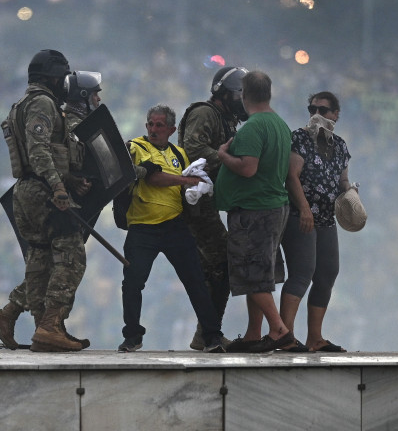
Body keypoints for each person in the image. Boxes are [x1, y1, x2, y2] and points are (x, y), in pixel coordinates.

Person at [0, 70, 100, 351]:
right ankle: (50, 326)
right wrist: (60, 187)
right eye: (95, 93)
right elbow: (42, 153)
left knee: (42, 257)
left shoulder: (27, 107)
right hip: (45, 192)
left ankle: (12, 315)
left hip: (26, 190)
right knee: (71, 255)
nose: (99, 98)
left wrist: (68, 179)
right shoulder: (58, 114)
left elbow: (56, 158)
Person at [117, 104, 226, 353]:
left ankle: (212, 336)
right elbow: (153, 178)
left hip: (175, 225)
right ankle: (132, 336)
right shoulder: (137, 147)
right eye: (150, 124)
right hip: (142, 227)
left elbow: (189, 180)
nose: (153, 129)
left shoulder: (179, 154)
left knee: (196, 280)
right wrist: (187, 180)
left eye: (159, 125)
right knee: (133, 282)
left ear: (171, 129)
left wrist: (198, 188)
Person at [214, 70, 300, 353]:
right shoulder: (279, 124)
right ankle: (253, 334)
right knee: (260, 273)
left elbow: (248, 168)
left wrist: (224, 155)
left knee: (252, 272)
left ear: (243, 95)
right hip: (274, 207)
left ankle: (278, 330)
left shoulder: (253, 127)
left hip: (255, 210)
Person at [178, 66, 249, 350]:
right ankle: (209, 333)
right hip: (195, 201)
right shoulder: (205, 113)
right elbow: (192, 150)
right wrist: (227, 158)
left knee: (216, 267)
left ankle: (207, 332)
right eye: (240, 94)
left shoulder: (226, 119)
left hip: (207, 201)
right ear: (225, 93)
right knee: (222, 260)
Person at [280, 91, 352, 353]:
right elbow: (292, 176)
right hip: (301, 216)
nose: (316, 115)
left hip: (325, 218)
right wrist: (304, 208)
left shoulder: (340, 146)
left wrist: (351, 194)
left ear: (335, 115)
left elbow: (342, 180)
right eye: (312, 110)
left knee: (327, 273)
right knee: (302, 273)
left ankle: (315, 338)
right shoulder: (299, 138)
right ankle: (285, 335)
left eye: (323, 110)